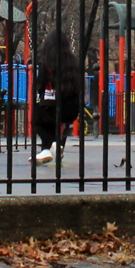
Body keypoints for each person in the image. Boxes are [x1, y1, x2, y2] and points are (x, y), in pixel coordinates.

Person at [30, 30, 85, 167]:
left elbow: (39, 86)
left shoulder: (47, 64)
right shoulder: (74, 64)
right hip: (72, 108)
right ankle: (55, 146)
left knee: (38, 119)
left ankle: (47, 148)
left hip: (51, 107)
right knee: (53, 118)